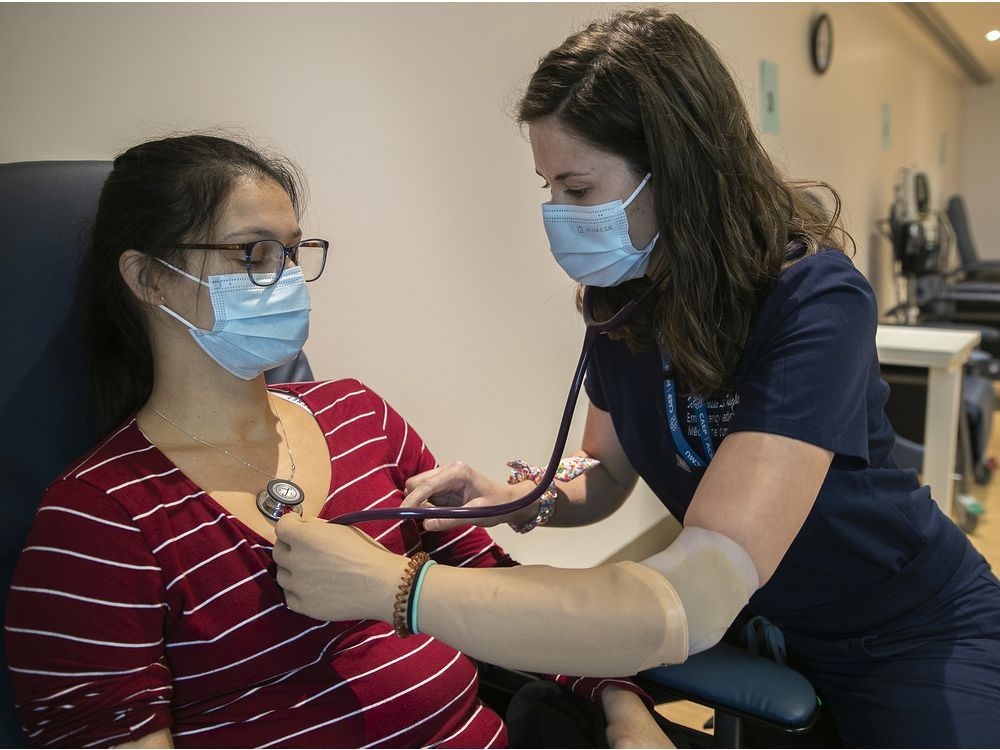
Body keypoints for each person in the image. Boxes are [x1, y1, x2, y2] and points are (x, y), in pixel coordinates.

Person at [273, 9, 1000, 747]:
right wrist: (518, 498)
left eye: (579, 190)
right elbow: (605, 471)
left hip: (903, 625)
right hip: (767, 620)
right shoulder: (624, 299)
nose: (557, 213)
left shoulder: (813, 301)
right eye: (547, 186)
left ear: (679, 170)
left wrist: (397, 591)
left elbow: (703, 587)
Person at [3, 134, 669, 748]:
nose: (287, 276)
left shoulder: (357, 416)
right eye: (253, 253)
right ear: (148, 277)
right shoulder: (99, 521)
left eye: (293, 251)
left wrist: (623, 705)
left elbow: (494, 592)